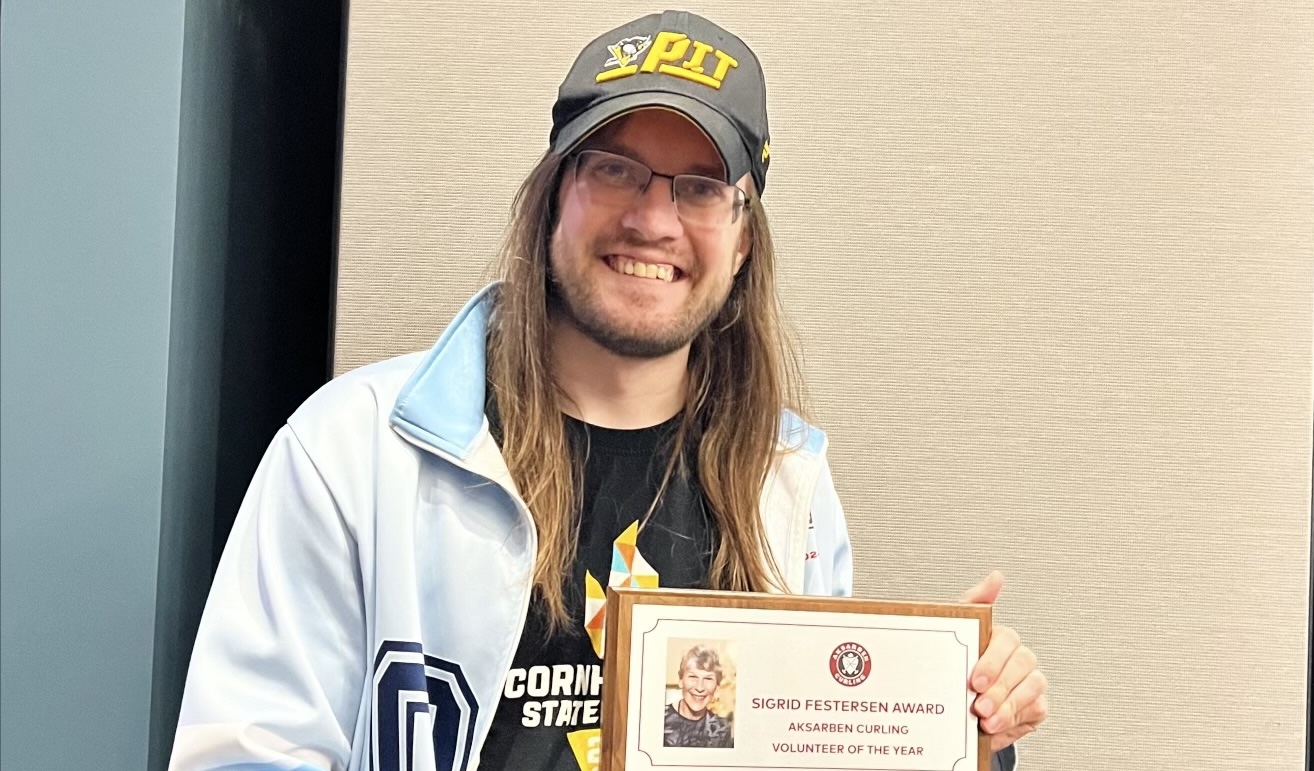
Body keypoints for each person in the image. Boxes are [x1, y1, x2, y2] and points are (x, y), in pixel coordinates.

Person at [168, 10, 1048, 771]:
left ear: (743, 239)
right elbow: (245, 749)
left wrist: (956, 718)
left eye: (701, 187)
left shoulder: (787, 484)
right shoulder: (353, 451)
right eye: (614, 168)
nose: (653, 219)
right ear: (555, 195)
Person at [663, 644, 734, 749]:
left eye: (708, 679)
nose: (700, 688)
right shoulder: (660, 719)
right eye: (693, 677)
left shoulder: (721, 729)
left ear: (717, 686)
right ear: (681, 681)